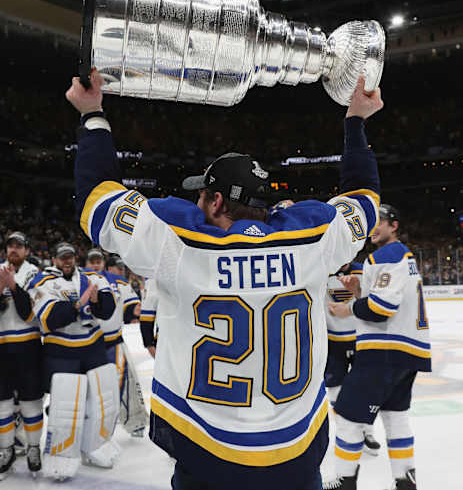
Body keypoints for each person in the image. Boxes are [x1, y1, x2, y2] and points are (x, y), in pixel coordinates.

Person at [67, 69, 383, 490]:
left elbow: (97, 199)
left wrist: (93, 114)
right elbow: (364, 197)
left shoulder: (179, 241)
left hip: (205, 450)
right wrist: (356, 122)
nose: (196, 203)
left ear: (216, 200)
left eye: (202, 195)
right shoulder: (314, 237)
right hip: (296, 447)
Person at [328, 205, 432, 490]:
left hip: (384, 352)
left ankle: (344, 483)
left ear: (394, 226)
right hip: (407, 353)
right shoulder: (404, 256)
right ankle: (405, 482)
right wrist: (360, 291)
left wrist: (347, 309)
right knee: (395, 417)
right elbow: (385, 300)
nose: (373, 228)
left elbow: (382, 308)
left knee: (348, 418)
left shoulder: (386, 256)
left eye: (380, 222)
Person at [29, 242, 118, 480]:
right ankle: (61, 453)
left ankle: (96, 444)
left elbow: (108, 310)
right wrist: (81, 303)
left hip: (94, 347)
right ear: (54, 260)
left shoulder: (92, 277)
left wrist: (97, 300)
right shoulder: (41, 282)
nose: (67, 261)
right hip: (61, 351)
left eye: (70, 257)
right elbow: (54, 318)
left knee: (99, 400)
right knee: (65, 405)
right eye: (62, 258)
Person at [85, 248, 147, 438]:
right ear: (86, 263)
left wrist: (139, 310)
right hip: (87, 346)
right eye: (92, 261)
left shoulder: (117, 281)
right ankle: (90, 429)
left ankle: (135, 422)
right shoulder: (78, 280)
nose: (95, 264)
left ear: (104, 263)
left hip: (114, 342)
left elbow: (131, 309)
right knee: (89, 389)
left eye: (98, 261)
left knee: (126, 382)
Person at [324, 262, 381, 456]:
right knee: (335, 391)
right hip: (332, 342)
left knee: (366, 388)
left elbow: (374, 301)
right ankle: (346, 433)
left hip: (361, 339)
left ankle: (367, 432)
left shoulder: (364, 270)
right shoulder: (323, 268)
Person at [0, 232, 42, 479]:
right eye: (10, 245)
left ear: (27, 250)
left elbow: (29, 313)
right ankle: (5, 450)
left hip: (29, 346)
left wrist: (13, 287)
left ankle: (33, 447)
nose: (14, 249)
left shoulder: (36, 274)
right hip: (2, 347)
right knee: (2, 402)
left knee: (32, 400)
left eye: (19, 246)